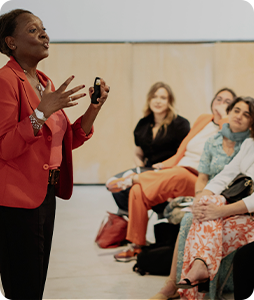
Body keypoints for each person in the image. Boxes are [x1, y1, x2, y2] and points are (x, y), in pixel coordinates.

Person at [0, 9, 109, 300]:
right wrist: (41, 112)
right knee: (25, 285)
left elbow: (63, 141)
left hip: (46, 192)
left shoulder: (44, 81)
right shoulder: (6, 81)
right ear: (11, 42)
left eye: (44, 29)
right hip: (18, 197)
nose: (44, 34)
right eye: (33, 31)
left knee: (34, 281)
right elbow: (6, 146)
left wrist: (93, 109)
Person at [107, 87, 236, 262]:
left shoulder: (232, 129)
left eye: (227, 102)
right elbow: (182, 150)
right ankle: (136, 246)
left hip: (201, 180)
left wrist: (225, 118)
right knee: (137, 191)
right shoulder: (203, 120)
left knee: (177, 175)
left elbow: (229, 147)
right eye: (218, 99)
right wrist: (164, 166)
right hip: (178, 171)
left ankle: (135, 177)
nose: (221, 104)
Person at [150, 96, 254, 300]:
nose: (240, 116)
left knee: (202, 223)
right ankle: (198, 270)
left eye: (246, 114)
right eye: (236, 111)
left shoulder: (244, 141)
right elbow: (225, 175)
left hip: (249, 215)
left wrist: (220, 211)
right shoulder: (250, 144)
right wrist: (202, 199)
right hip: (233, 207)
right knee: (202, 213)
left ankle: (187, 284)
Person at [109, 82, 190, 215]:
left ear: (169, 101)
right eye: (154, 97)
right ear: (149, 100)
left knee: (154, 194)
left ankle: (164, 215)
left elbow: (185, 154)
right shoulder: (143, 124)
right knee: (118, 188)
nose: (158, 101)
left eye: (163, 98)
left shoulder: (180, 124)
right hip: (149, 171)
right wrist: (140, 169)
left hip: (170, 172)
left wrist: (165, 167)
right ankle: (129, 218)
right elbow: (138, 154)